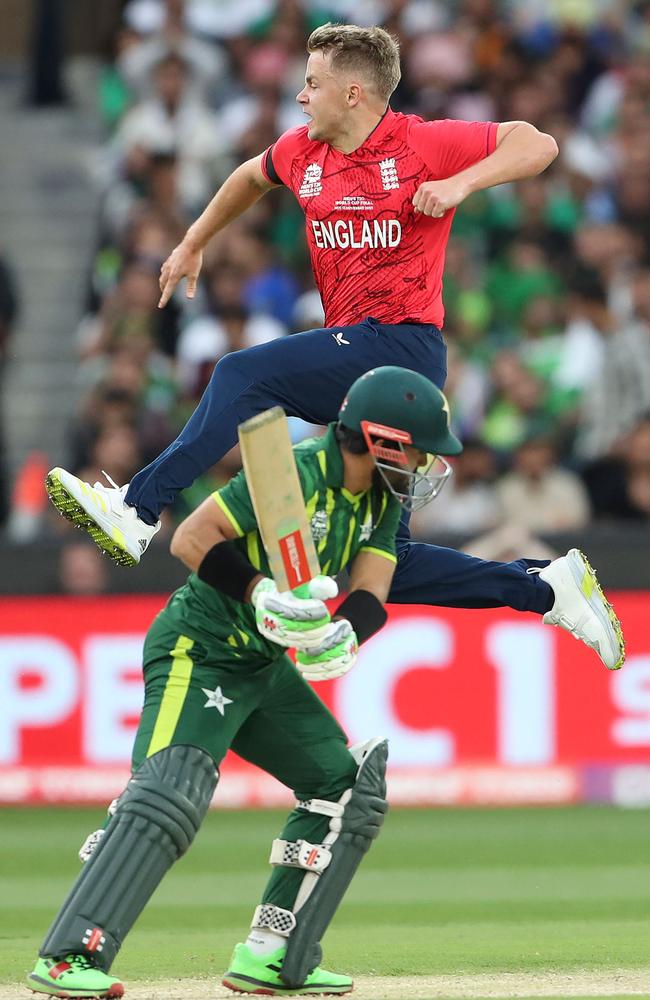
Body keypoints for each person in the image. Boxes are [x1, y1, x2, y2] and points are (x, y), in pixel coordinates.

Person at [45, 23, 624, 672]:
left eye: (312, 83)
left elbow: (537, 143)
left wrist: (464, 185)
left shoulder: (421, 143)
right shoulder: (303, 154)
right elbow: (247, 177)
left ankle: (138, 508)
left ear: (353, 93)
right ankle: (545, 587)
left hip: (402, 350)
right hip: (359, 357)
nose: (299, 96)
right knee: (390, 565)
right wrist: (194, 241)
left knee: (243, 372)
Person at [27, 366, 463, 999]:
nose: (425, 466)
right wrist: (260, 593)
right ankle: (69, 957)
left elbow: (371, 590)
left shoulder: (378, 503)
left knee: (345, 788)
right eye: (421, 451)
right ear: (384, 441)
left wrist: (344, 635)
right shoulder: (292, 472)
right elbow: (191, 538)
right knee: (171, 791)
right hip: (197, 648)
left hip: (262, 667)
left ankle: (276, 954)